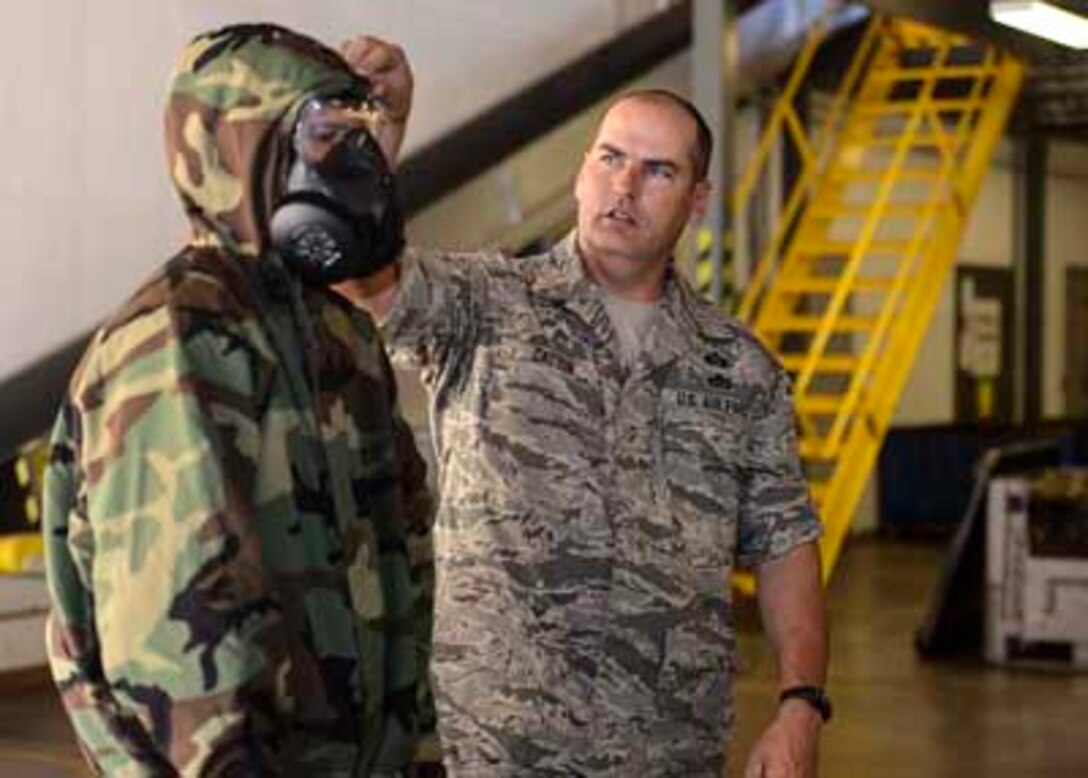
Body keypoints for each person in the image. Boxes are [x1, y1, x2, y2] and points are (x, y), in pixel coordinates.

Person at [338, 37, 830, 778]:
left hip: (670, 751)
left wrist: (801, 704)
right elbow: (355, 273)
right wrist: (379, 131)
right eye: (610, 158)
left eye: (658, 170)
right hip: (497, 748)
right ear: (580, 173)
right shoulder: (486, 305)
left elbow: (785, 541)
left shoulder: (740, 368)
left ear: (697, 201)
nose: (624, 186)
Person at [41, 24, 442, 776]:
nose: (353, 164)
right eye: (324, 136)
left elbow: (404, 569)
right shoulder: (174, 344)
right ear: (243, 152)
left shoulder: (338, 337)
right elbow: (188, 658)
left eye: (359, 137)